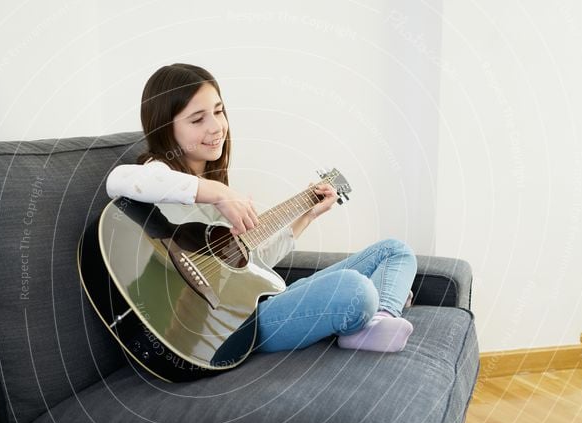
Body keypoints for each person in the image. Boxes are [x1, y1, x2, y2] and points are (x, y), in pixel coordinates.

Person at [105, 63, 417, 354]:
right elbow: (119, 180)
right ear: (165, 128)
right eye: (198, 119)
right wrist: (218, 193)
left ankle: (376, 320)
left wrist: (306, 215)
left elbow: (251, 263)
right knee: (355, 289)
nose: (217, 127)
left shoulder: (214, 189)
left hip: (259, 303)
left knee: (394, 251)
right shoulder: (161, 176)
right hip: (235, 327)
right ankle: (370, 311)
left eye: (219, 111)